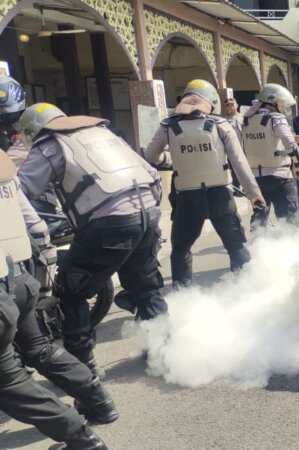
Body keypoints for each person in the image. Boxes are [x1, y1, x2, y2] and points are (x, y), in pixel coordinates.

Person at [17, 102, 167, 376]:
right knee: (146, 288)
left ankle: (83, 370)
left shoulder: (50, 145)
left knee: (71, 290)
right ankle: (165, 354)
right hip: (148, 211)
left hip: (109, 222)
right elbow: (152, 173)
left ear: (33, 130)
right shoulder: (103, 133)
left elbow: (21, 190)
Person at [0, 152, 109, 449]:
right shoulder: (4, 170)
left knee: (8, 382)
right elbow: (35, 225)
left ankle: (82, 439)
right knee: (40, 349)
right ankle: (99, 401)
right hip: (18, 277)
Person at [145, 79, 265, 287]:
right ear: (210, 101)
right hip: (220, 195)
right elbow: (240, 163)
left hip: (187, 198)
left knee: (181, 249)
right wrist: (254, 194)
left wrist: (172, 160)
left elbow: (151, 156)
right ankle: (248, 288)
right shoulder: (220, 125)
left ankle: (183, 297)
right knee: (235, 245)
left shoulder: (168, 126)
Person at [243, 83, 299, 227]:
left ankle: (259, 246)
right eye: (281, 103)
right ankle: (293, 246)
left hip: (256, 178)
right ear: (273, 102)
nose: (283, 107)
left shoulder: (245, 120)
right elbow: (291, 144)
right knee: (290, 220)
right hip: (280, 176)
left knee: (260, 219)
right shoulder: (276, 118)